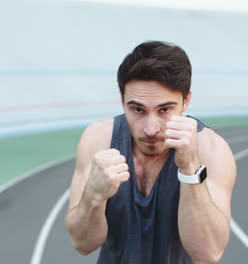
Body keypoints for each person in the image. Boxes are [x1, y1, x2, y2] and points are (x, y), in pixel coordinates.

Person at [65, 41, 236, 264]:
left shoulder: (211, 150)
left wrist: (190, 168)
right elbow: (82, 244)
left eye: (165, 110)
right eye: (138, 110)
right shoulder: (99, 139)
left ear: (186, 101)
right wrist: (94, 197)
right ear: (122, 100)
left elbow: (208, 254)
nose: (151, 128)